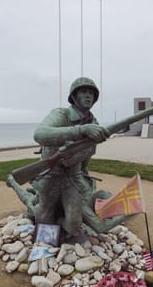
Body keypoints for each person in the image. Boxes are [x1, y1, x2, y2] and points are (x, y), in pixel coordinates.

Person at [31, 77, 125, 237]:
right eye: (83, 92)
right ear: (74, 96)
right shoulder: (62, 114)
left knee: (74, 225)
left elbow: (87, 151)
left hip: (73, 178)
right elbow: (39, 134)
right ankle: (33, 207)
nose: (88, 96)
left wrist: (84, 173)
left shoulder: (93, 121)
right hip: (51, 175)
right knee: (44, 217)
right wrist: (80, 130)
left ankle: (61, 221)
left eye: (91, 93)